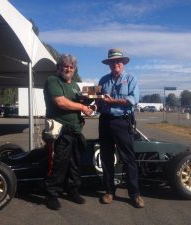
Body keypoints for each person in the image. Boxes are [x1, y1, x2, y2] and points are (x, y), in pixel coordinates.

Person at [43, 54, 93, 210]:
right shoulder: (53, 81)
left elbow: (80, 104)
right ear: (59, 67)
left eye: (71, 67)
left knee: (75, 164)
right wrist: (82, 108)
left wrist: (88, 109)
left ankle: (73, 190)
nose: (68, 69)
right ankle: (52, 195)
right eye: (65, 66)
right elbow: (60, 102)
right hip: (60, 131)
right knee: (58, 164)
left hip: (75, 131)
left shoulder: (76, 86)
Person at [97, 48, 144, 208]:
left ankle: (135, 194)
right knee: (106, 157)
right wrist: (88, 103)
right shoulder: (103, 80)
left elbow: (133, 100)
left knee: (128, 158)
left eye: (118, 61)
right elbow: (98, 101)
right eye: (112, 61)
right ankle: (110, 191)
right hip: (105, 121)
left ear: (122, 63)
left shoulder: (131, 78)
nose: (115, 64)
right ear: (109, 64)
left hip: (123, 122)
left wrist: (113, 102)